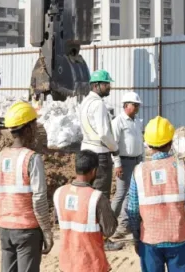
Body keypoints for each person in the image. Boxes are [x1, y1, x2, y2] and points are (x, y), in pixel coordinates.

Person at [126, 116, 185, 272]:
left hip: (150, 242)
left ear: (148, 144)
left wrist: (136, 238)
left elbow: (132, 210)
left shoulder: (139, 172)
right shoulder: (183, 168)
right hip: (179, 240)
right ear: (171, 142)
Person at [0, 101, 52, 272]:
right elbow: (39, 198)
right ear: (27, 129)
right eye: (34, 125)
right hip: (27, 230)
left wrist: (2, 223)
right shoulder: (32, 158)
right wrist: (46, 231)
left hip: (6, 229)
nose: (36, 129)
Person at [52, 150, 118, 272]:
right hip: (91, 264)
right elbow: (109, 230)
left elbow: (58, 220)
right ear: (94, 171)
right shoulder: (96, 198)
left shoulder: (59, 193)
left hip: (66, 263)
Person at [79, 70, 119, 203]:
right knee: (101, 196)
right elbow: (103, 133)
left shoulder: (85, 102)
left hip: (86, 153)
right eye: (106, 84)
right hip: (100, 155)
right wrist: (114, 148)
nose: (109, 87)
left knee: (87, 193)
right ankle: (99, 223)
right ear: (96, 85)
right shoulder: (99, 104)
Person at [112, 91, 145, 239]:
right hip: (124, 162)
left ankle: (127, 223)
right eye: (134, 104)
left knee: (133, 193)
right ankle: (111, 224)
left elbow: (140, 143)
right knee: (121, 193)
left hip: (137, 161)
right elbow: (114, 144)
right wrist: (117, 164)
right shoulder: (118, 121)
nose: (137, 107)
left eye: (138, 105)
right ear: (125, 105)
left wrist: (143, 161)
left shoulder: (137, 121)